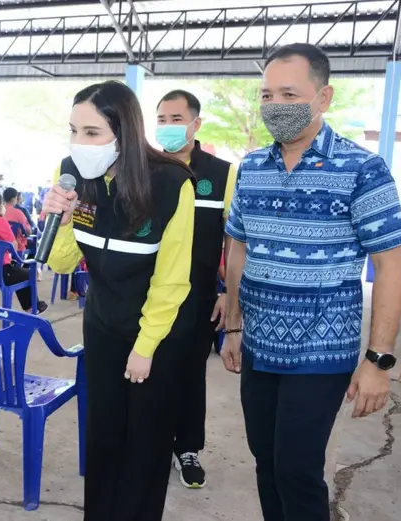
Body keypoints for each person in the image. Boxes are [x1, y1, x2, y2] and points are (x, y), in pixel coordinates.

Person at [221, 43, 401, 521]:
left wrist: (378, 361)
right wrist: (235, 326)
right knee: (266, 464)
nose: (274, 106)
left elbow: (390, 265)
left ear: (323, 97)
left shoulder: (362, 169)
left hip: (320, 351)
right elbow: (239, 247)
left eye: (289, 93)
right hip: (259, 346)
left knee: (297, 470)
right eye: (266, 95)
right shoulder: (252, 169)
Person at [44, 80, 195, 520]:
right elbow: (61, 263)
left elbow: (172, 281)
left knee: (145, 444)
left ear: (124, 132)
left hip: (157, 333)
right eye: (74, 130)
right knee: (105, 435)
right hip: (102, 325)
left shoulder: (170, 183)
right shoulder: (73, 175)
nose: (79, 143)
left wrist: (145, 347)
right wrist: (63, 217)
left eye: (92, 133)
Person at [155, 88, 237, 488]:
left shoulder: (222, 174)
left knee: (190, 374)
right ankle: (151, 444)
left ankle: (187, 447)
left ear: (195, 123)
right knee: (149, 371)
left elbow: (233, 242)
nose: (168, 127)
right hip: (149, 297)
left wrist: (228, 294)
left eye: (176, 119)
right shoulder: (146, 169)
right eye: (162, 119)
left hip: (199, 297)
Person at [0, 192, 48, 314]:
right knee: (28, 273)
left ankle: (31, 307)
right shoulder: (0, 221)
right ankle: (32, 307)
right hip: (1, 273)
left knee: (18, 273)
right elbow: (13, 246)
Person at [2, 187, 32, 254]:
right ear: (13, 199)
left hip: (1, 247)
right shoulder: (18, 213)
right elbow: (28, 231)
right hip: (17, 248)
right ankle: (27, 264)